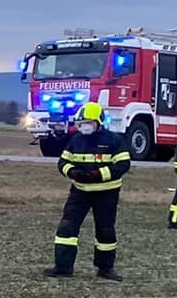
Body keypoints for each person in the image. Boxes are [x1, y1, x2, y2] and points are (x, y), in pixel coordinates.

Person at [42, 101, 129, 280]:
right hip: (79, 192)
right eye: (81, 124)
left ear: (99, 122)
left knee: (105, 231)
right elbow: (63, 162)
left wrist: (98, 175)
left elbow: (122, 165)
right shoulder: (76, 140)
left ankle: (105, 269)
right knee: (67, 228)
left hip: (106, 193)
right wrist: (73, 172)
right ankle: (63, 267)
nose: (84, 127)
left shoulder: (114, 140)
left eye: (88, 123)